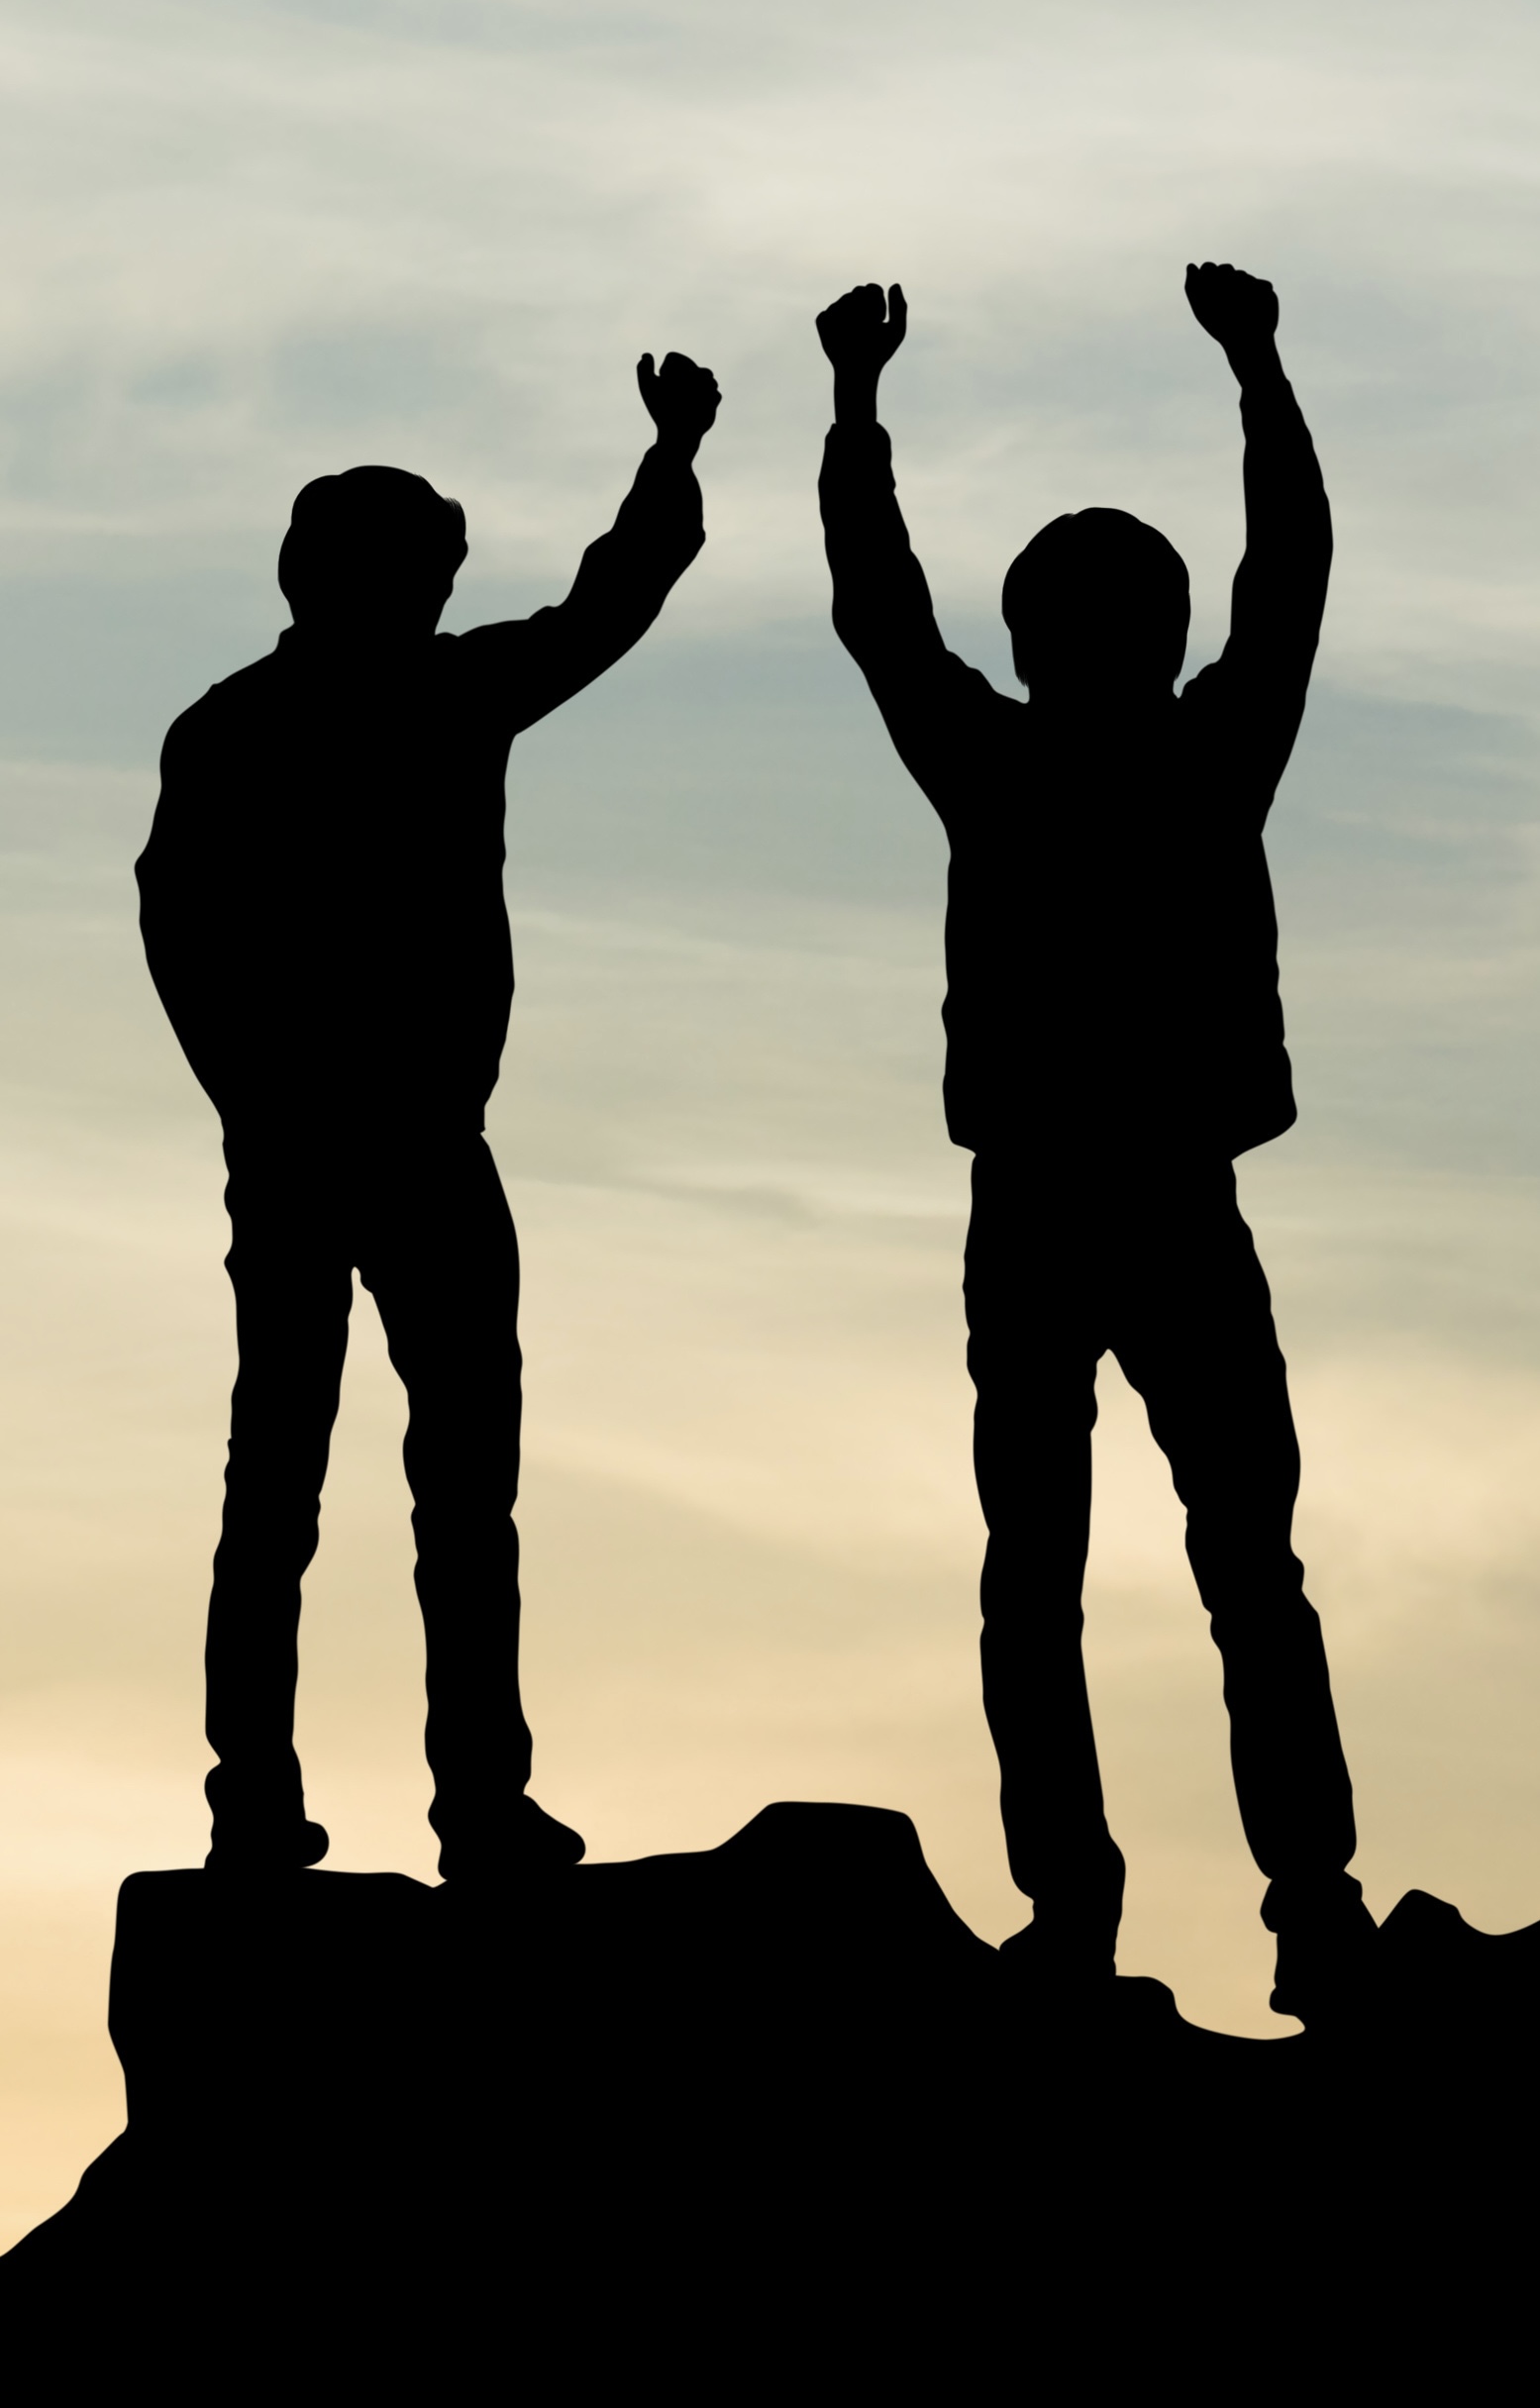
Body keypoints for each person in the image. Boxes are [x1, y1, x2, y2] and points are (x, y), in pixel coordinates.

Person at [817, 267, 1366, 2017]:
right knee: (1230, 1566)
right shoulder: (1205, 752)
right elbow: (1288, 574)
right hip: (1134, 1201)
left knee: (1061, 1570)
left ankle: (1107, 1909)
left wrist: (855, 409)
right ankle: (1291, 1902)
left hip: (1068, 1203)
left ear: (1045, 638)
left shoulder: (1012, 760)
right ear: (1143, 629)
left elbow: (881, 612)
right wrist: (1259, 372)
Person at [137, 350, 722, 1880]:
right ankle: (281, 1799)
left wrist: (668, 459)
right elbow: (174, 924)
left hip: (397, 1150)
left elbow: (609, 604)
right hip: (337, 1146)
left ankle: (443, 1798)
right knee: (323, 1485)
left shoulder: (373, 704)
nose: (426, 591)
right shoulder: (288, 721)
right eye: (410, 567)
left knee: (416, 1487)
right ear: (339, 575)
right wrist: (253, 1095)